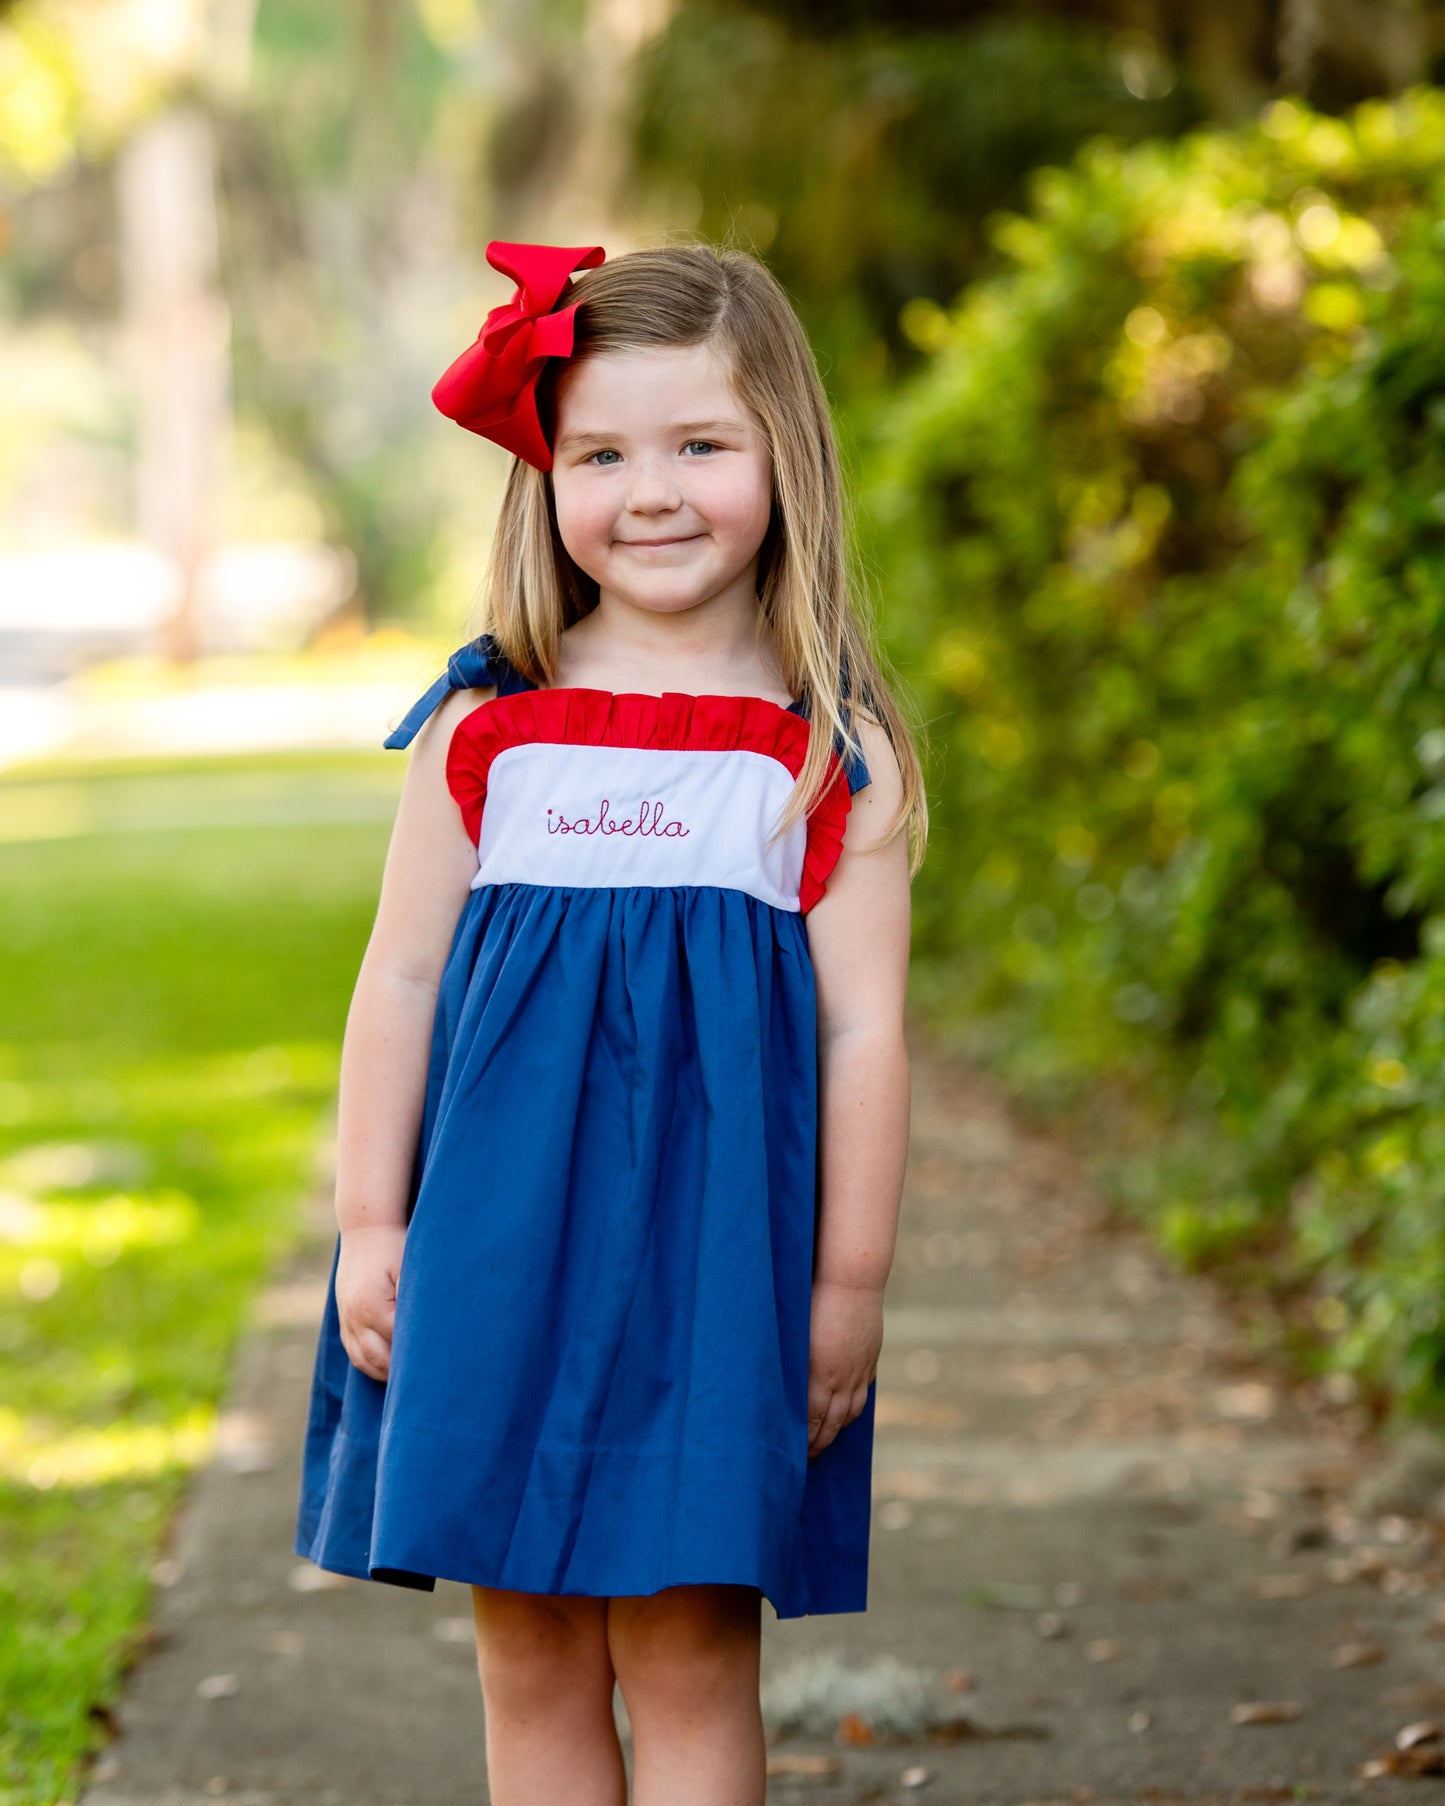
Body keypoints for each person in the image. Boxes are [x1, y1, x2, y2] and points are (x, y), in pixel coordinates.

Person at [294, 237, 926, 1806]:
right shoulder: (485, 728)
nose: (651, 492)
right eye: (601, 453)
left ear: (785, 452)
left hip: (722, 1276)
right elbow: (401, 981)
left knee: (689, 1653)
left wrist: (843, 1288)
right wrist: (370, 1222)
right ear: (545, 475)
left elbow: (863, 1040)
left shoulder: (822, 755)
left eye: (701, 445)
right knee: (531, 1654)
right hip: (495, 1255)